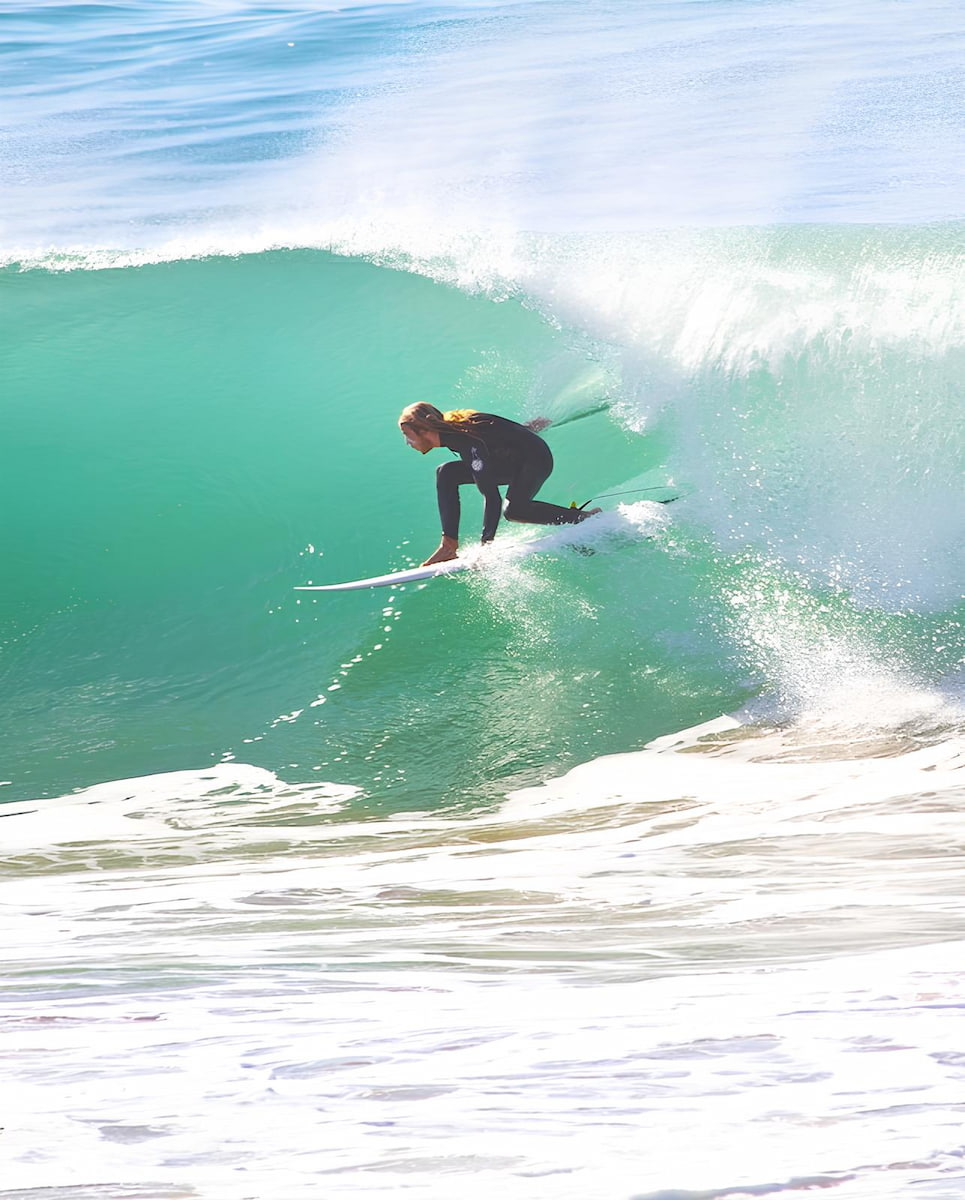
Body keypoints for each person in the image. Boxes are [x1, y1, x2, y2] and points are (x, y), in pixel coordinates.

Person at [398, 402, 600, 565]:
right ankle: (449, 545)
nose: (408, 443)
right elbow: (499, 430)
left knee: (514, 510)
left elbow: (491, 497)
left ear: (424, 429)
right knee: (446, 472)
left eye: (408, 435)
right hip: (510, 458)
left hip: (535, 459)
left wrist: (486, 547)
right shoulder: (454, 427)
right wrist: (527, 428)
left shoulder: (466, 442)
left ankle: (582, 517)